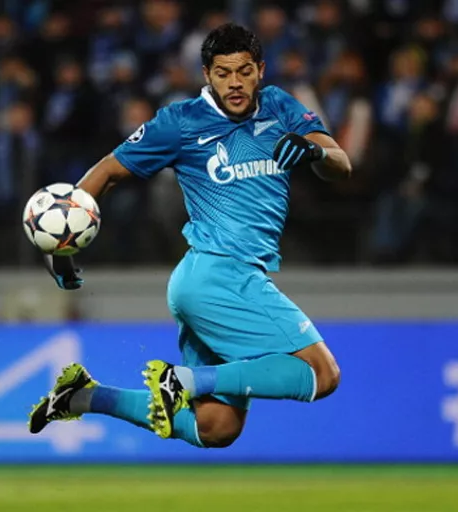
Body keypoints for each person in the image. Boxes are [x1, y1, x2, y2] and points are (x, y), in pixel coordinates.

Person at [28, 23, 351, 448]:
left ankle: (84, 397)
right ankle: (182, 380)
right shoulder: (181, 122)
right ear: (206, 74)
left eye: (244, 71)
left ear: (260, 70)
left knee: (216, 428)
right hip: (220, 276)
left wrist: (316, 151)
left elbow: (341, 164)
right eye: (223, 73)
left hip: (207, 282)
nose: (234, 83)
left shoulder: (280, 106)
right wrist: (61, 249)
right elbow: (107, 172)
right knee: (323, 374)